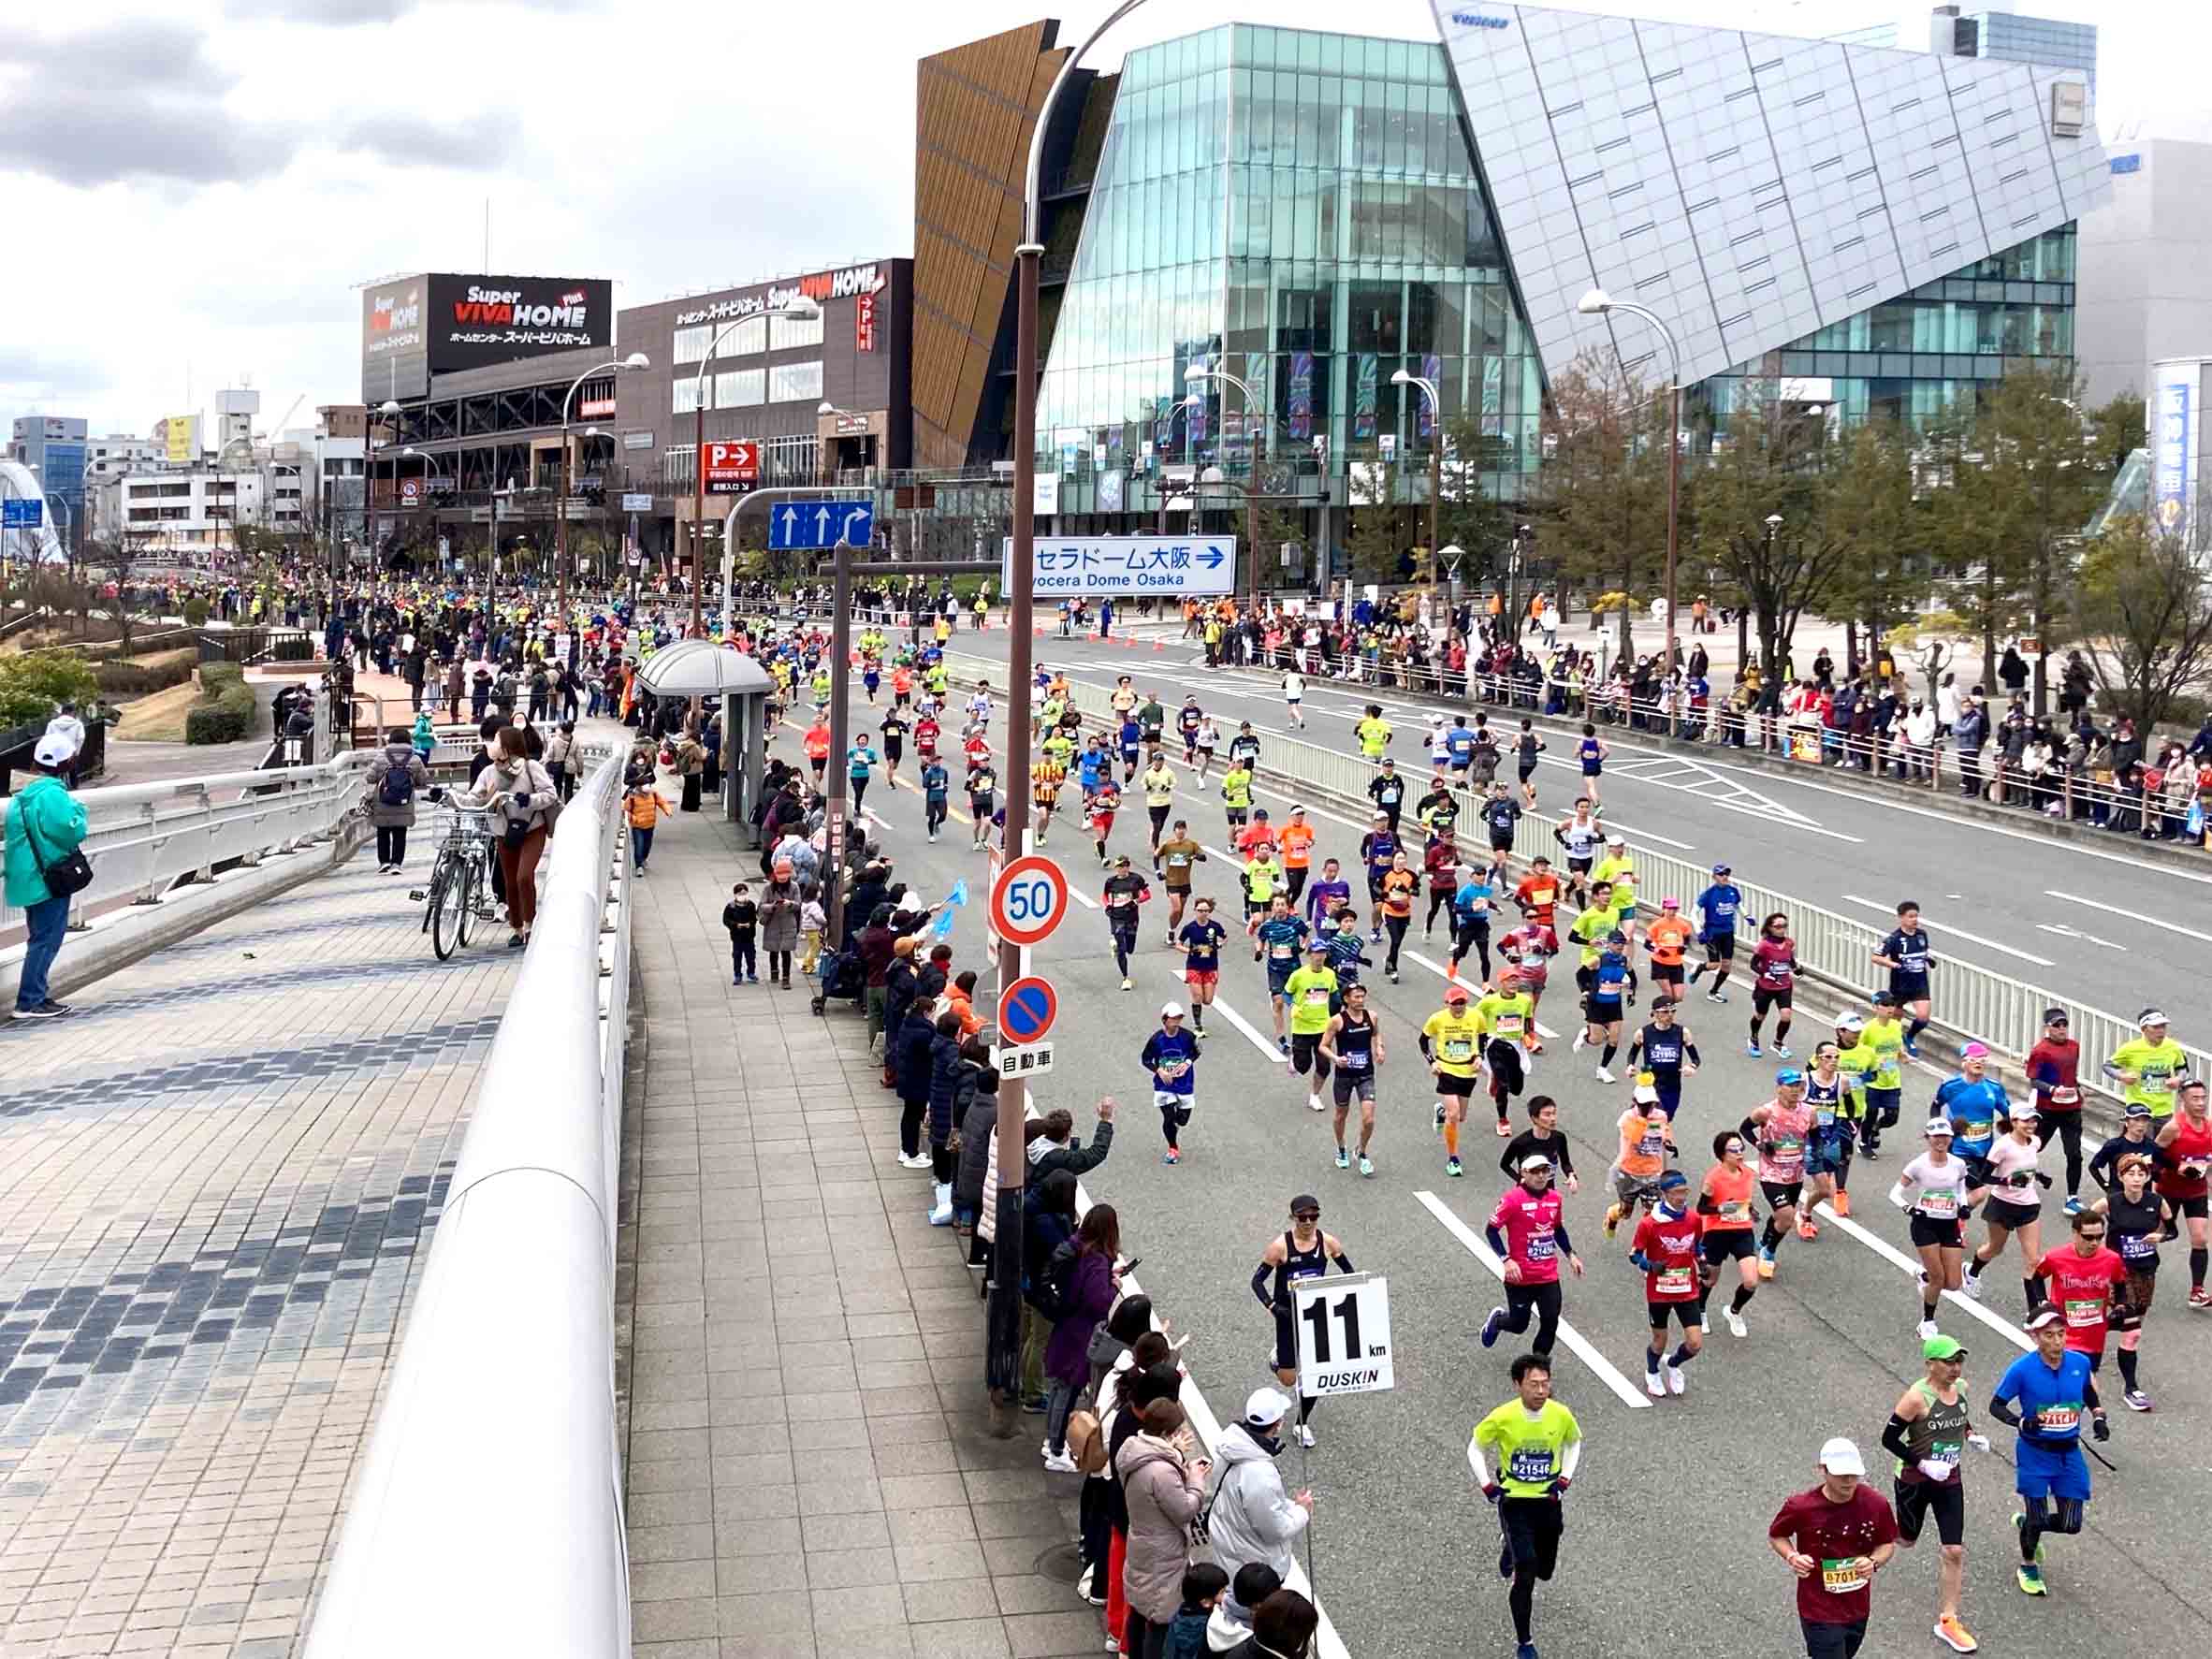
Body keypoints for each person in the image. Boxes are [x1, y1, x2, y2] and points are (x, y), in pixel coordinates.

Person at [1988, 1307, 2108, 1597]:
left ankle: (2028, 1525)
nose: (2057, 1342)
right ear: (2035, 1337)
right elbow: (1996, 1405)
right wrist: (2020, 1421)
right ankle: (2028, 1566)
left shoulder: (2079, 1363)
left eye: (2061, 1334)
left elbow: (2088, 1391)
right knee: (2038, 1515)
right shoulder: (2021, 1370)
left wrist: (2099, 1416)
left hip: (2069, 1453)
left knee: (2071, 1524)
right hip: (2035, 1453)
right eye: (2049, 1335)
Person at [1468, 1352, 1581, 1659]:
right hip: (1515, 1502)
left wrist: (1564, 1479)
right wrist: (1487, 1485)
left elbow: (1573, 1442)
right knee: (1527, 1570)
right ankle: (1525, 1642)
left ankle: (1509, 1547)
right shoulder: (1503, 1417)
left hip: (1548, 1502)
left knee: (1545, 1571)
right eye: (1534, 1384)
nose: (1541, 1391)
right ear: (1518, 1384)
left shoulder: (1560, 1414)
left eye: (1545, 1384)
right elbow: (1475, 1447)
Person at [1883, 1335, 1989, 1653]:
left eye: (1959, 1361)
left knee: (1953, 1550)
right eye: (1948, 1362)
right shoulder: (1916, 1398)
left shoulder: (1962, 1388)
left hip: (1949, 1479)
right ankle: (1871, 1534)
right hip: (1914, 1479)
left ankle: (1948, 1621)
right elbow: (1888, 1438)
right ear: (1930, 1364)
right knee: (1906, 1539)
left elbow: (1959, 1417)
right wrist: (1924, 1464)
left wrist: (1971, 1435)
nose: (1955, 1368)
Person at [1768, 1437, 1899, 1659]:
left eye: (1853, 1474)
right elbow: (1777, 1535)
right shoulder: (1801, 1507)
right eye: (1841, 1474)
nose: (1848, 1481)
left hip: (1857, 1607)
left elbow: (1886, 1543)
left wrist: (1873, 1562)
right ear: (1823, 1470)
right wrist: (1792, 1557)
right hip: (1818, 1608)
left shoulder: (1875, 1504)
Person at [1250, 1199, 1353, 1446]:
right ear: (1293, 1218)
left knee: (1316, 1374)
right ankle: (1277, 1360)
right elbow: (1257, 1281)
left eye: (1313, 1217)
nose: (1308, 1222)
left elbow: (1349, 1275)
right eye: (1302, 1218)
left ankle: (1301, 1424)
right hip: (1287, 1315)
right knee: (1289, 1380)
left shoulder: (1328, 1243)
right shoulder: (1280, 1247)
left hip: (1316, 1315)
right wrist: (1273, 1306)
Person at [1115, 1398, 1211, 1659]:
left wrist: (1175, 1453)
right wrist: (1196, 1480)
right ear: (1168, 1433)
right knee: (1160, 1618)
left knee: (1138, 1608)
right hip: (1164, 1553)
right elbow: (1185, 1509)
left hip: (1141, 1541)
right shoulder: (1161, 1472)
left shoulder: (1133, 1450)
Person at [5, 734, 89, 1021]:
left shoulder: (22, 795)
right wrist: (80, 811)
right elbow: (70, 830)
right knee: (46, 940)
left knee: (39, 936)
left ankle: (36, 995)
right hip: (48, 879)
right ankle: (30, 1001)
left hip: (28, 878)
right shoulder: (52, 793)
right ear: (65, 763)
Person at [458, 726, 560, 948]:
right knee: (510, 881)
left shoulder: (531, 767)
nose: (492, 745)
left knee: (524, 877)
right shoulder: (489, 772)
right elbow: (475, 797)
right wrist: (451, 798)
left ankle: (530, 924)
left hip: (532, 828)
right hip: (503, 831)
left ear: (509, 746)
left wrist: (529, 800)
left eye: (497, 740)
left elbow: (550, 794)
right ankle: (517, 928)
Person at [1208, 1386, 1317, 1588]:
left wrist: (1290, 1506)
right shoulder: (1260, 1474)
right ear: (1278, 1425)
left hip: (1228, 1547)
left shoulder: (1228, 1446)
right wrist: (1302, 1511)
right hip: (1253, 1571)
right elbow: (1275, 1529)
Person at [1042, 1203, 1122, 1472]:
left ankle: (1051, 1440)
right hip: (1081, 1332)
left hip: (1066, 1324)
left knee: (1058, 1386)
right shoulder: (1097, 1260)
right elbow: (1097, 1301)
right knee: (1068, 1389)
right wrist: (1114, 1286)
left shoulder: (1077, 1248)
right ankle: (1056, 1448)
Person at [2092, 1150, 2173, 1410]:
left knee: (2130, 1324)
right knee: (2133, 1329)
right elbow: (2085, 1224)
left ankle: (2087, 1333)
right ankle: (2131, 1389)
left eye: (2141, 1174)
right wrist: (2094, 1250)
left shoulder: (2157, 1201)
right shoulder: (2110, 1202)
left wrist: (2161, 1237)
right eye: (2131, 1174)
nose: (2136, 1178)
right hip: (2119, 1272)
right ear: (2121, 1177)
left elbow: (2172, 1230)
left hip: (2146, 1272)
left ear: (2147, 1177)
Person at [1481, 1155, 1582, 1360]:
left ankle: (1538, 1364)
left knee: (1550, 1321)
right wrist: (1506, 1260)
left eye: (1545, 1171)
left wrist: (1571, 1255)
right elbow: (1491, 1230)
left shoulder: (1555, 1199)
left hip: (1548, 1276)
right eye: (1535, 1171)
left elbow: (1557, 1228)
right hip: (1520, 1277)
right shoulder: (1512, 1200)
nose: (1541, 1176)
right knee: (1519, 1325)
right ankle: (1498, 1321)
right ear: (1523, 1173)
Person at [1894, 1118, 1981, 1339]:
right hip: (1925, 1225)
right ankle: (1927, 1322)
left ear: (1951, 1138)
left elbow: (1959, 1189)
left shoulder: (1958, 1164)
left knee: (1953, 1284)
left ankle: (1923, 1275)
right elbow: (1894, 1193)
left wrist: (1963, 1206)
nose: (1941, 1141)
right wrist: (1909, 1209)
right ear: (1928, 1138)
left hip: (1949, 1224)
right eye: (1936, 1137)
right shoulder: (1917, 1165)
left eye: (1945, 1136)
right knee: (1938, 1278)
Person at [1962, 1104, 2049, 1311]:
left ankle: (2034, 1312)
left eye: (2034, 1121)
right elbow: (1984, 1177)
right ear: (2014, 1122)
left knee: (2034, 1260)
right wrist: (2007, 1181)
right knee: (1995, 1248)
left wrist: (2039, 1176)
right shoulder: (2002, 1146)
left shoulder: (2035, 1142)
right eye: (2026, 1121)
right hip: (2002, 1205)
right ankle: (1972, 1272)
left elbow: (2025, 1167)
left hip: (2028, 1205)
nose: (2031, 1125)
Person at [1628, 1170, 1705, 1396]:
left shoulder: (1694, 1219)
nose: (1681, 1197)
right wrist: (1649, 1265)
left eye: (1684, 1191)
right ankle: (1652, 1371)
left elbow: (1697, 1245)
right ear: (1664, 1194)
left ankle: (1673, 1364)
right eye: (1676, 1193)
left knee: (1695, 1343)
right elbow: (1634, 1255)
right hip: (1660, 1291)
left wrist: (1702, 1261)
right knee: (1659, 1340)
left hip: (1687, 1289)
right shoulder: (1649, 1224)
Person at [1421, 982, 1484, 1177]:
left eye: (1461, 1003)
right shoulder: (1437, 1019)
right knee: (1454, 1115)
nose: (1458, 1007)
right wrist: (1432, 1062)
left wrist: (1479, 1056)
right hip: (1446, 1068)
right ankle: (1453, 1158)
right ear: (1447, 1004)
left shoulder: (1476, 1016)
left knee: (1461, 1117)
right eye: (1454, 1004)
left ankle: (1441, 1112)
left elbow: (1483, 1036)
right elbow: (1423, 1040)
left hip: (1468, 1070)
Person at [364, 726, 431, 874]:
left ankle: (384, 862)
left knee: (383, 832)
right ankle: (396, 864)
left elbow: (370, 777)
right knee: (400, 833)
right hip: (404, 802)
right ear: (408, 740)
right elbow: (423, 779)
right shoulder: (414, 758)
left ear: (391, 740)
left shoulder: (381, 757)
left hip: (383, 801)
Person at [1870, 901, 1935, 1055]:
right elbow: (1876, 957)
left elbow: (1923, 951)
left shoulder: (1922, 934)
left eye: (1916, 916)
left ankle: (1909, 1037)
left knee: (1923, 1017)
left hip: (1920, 983)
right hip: (1900, 984)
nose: (1915, 919)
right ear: (1901, 918)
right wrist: (1895, 965)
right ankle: (1893, 1043)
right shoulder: (1894, 938)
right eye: (1910, 916)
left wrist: (1928, 958)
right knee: (1895, 1019)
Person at [1142, 1001, 1201, 1165]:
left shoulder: (1188, 1036)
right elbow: (1145, 1059)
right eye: (1173, 1018)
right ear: (1164, 1019)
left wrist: (1187, 1063)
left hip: (1184, 1084)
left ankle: (1176, 1123)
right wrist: (1159, 1071)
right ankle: (1173, 1148)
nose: (1176, 1022)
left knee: (1182, 1120)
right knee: (1169, 1117)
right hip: (1164, 1085)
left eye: (1179, 1018)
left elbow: (1197, 1051)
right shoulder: (1156, 1039)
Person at [1686, 862, 1742, 1004]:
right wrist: (1699, 932)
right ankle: (1700, 967)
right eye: (1721, 874)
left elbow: (1737, 905)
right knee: (1714, 964)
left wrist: (1747, 916)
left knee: (1727, 965)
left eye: (1727, 873)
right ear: (1714, 877)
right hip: (1712, 933)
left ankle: (1713, 991)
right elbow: (1693, 913)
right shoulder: (1709, 894)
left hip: (1728, 932)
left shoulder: (1733, 891)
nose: (1725, 876)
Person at [1102, 855, 1152, 990]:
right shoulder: (1110, 882)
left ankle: (1117, 946)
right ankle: (1125, 978)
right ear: (1116, 868)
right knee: (1122, 949)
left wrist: (1136, 901)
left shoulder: (1136, 879)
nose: (1123, 869)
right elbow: (1105, 896)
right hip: (1116, 916)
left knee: (1130, 948)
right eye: (1120, 866)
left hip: (1132, 917)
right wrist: (1107, 905)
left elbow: (1148, 894)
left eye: (1126, 866)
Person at [1161, 1563, 1229, 1659]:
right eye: (1223, 1592)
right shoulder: (1211, 1626)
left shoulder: (1181, 1614)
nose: (1227, 1596)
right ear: (1206, 1602)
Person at [721, 881, 759, 985]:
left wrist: (750, 924)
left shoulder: (751, 905)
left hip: (749, 936)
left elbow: (754, 918)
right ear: (735, 894)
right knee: (737, 957)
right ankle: (737, 975)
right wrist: (735, 925)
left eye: (744, 893)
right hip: (737, 937)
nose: (742, 896)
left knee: (750, 956)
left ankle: (751, 973)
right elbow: (726, 920)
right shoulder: (731, 907)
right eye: (740, 894)